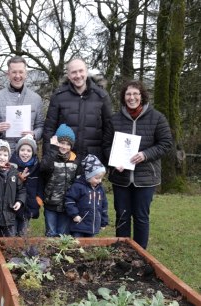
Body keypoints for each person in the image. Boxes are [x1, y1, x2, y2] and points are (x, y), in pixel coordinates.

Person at [102, 80, 172, 249]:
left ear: (142, 96)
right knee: (122, 216)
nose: (131, 97)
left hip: (145, 178)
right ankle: (121, 252)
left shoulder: (157, 118)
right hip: (121, 177)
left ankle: (140, 254)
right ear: (123, 97)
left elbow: (166, 143)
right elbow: (105, 145)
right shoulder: (115, 119)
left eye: (135, 94)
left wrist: (145, 155)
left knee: (141, 217)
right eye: (128, 94)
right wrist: (114, 162)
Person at [42, 58, 112, 164]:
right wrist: (48, 158)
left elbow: (109, 129)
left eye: (81, 71)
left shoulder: (101, 96)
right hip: (64, 158)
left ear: (86, 72)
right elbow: (49, 130)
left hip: (93, 160)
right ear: (69, 76)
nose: (78, 75)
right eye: (74, 72)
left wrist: (108, 160)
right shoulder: (58, 96)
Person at [0, 56, 44, 153]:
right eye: (14, 72)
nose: (17, 76)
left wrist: (34, 134)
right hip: (4, 156)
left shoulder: (36, 99)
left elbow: (41, 127)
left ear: (26, 74)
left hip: (28, 155)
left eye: (21, 72)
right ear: (8, 74)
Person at [40, 124, 78, 237]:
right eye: (62, 143)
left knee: (63, 235)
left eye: (68, 144)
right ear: (57, 143)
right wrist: (53, 149)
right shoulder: (51, 156)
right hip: (50, 203)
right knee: (51, 233)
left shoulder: (75, 161)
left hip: (67, 205)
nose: (64, 146)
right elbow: (43, 167)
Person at [65, 154, 109, 237]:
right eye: (97, 178)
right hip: (79, 225)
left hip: (92, 227)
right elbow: (69, 201)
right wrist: (74, 215)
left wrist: (103, 222)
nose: (99, 181)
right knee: (76, 245)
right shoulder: (78, 186)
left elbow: (104, 206)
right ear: (88, 175)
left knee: (89, 246)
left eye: (101, 178)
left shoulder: (100, 189)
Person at [9, 134, 43, 236]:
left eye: (29, 151)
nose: (25, 153)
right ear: (18, 151)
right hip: (13, 206)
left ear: (33, 153)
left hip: (29, 205)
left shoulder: (37, 167)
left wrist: (38, 200)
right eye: (22, 150)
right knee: (11, 233)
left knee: (23, 234)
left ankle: (22, 251)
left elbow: (40, 185)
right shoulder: (11, 166)